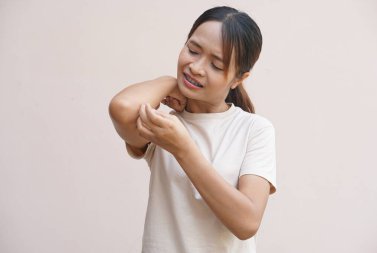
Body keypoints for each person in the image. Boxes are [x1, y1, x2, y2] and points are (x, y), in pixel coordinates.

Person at [109, 6, 276, 253]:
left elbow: (247, 222)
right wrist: (169, 83)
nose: (196, 67)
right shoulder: (163, 126)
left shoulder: (254, 129)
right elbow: (121, 108)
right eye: (192, 50)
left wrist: (183, 148)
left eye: (216, 65)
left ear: (239, 78)